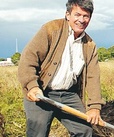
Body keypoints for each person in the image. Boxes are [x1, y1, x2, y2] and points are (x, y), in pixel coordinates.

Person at [18, 0, 105, 136]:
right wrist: (32, 86)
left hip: (68, 94)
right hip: (42, 92)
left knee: (84, 131)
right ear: (67, 14)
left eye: (86, 16)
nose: (81, 20)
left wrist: (94, 107)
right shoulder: (51, 29)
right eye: (77, 15)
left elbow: (93, 77)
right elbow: (28, 58)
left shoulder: (89, 45)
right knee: (38, 132)